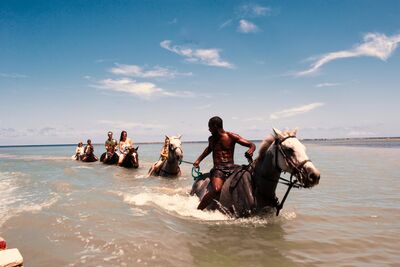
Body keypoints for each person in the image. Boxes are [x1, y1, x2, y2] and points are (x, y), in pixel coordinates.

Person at [193, 116, 256, 210]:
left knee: (250, 176)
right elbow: (209, 149)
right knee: (216, 190)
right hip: (218, 169)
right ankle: (198, 210)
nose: (209, 129)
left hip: (232, 167)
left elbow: (251, 144)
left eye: (210, 127)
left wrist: (251, 150)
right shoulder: (211, 139)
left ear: (215, 126)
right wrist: (198, 160)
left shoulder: (231, 136)